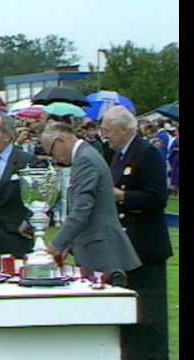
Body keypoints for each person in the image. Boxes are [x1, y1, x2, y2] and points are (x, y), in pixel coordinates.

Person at [20, 122, 141, 277]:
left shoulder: (85, 160)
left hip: (100, 252)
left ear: (60, 141)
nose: (53, 158)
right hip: (95, 248)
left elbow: (81, 211)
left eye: (51, 151)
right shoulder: (86, 156)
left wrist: (55, 247)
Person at [101, 106, 173, 360]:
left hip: (146, 247)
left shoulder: (147, 152)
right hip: (125, 245)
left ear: (124, 129)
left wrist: (123, 196)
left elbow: (157, 198)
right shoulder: (118, 155)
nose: (105, 135)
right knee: (131, 312)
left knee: (150, 315)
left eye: (108, 130)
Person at [0, 114, 34, 265]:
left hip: (14, 239)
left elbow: (39, 197)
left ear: (7, 136)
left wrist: (29, 221)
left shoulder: (26, 161)